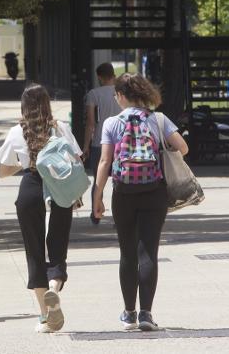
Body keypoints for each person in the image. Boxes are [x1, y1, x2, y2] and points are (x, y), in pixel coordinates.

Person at [93, 73, 188, 332]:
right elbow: (183, 148)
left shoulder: (112, 123)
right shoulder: (158, 119)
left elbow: (104, 162)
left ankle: (128, 314)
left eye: (116, 94)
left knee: (127, 253)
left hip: (123, 193)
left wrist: (97, 195)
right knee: (149, 252)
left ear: (122, 96)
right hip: (154, 191)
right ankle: (146, 314)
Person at [0, 84, 82, 333]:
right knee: (57, 245)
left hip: (30, 188)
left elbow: (1, 171)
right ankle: (54, 289)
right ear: (47, 104)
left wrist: (25, 163)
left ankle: (45, 315)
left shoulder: (16, 132)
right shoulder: (61, 127)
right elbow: (76, 159)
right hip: (60, 189)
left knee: (34, 251)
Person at [83, 62, 121, 224]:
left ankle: (95, 212)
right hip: (121, 143)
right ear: (113, 74)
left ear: (99, 76)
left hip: (100, 142)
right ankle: (119, 216)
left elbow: (91, 122)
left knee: (99, 180)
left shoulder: (94, 94)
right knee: (119, 182)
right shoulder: (121, 93)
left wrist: (86, 146)